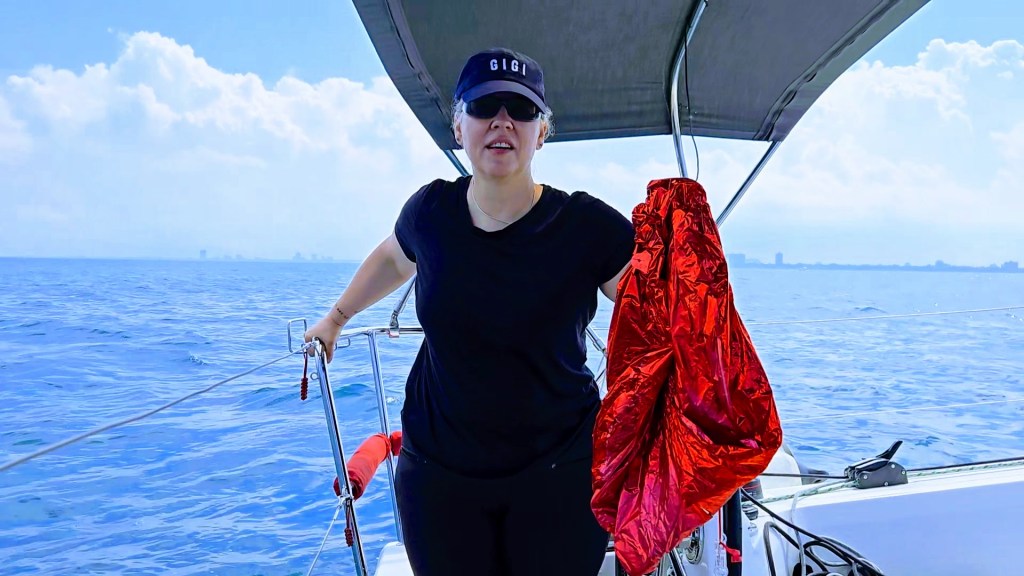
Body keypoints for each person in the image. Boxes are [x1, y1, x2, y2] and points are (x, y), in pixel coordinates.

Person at [304, 47, 635, 576]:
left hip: (559, 469)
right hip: (440, 474)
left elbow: (658, 306)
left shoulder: (587, 227)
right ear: (458, 127)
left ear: (542, 132)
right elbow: (395, 255)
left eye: (521, 110)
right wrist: (336, 317)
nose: (502, 121)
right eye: (484, 107)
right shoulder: (431, 212)